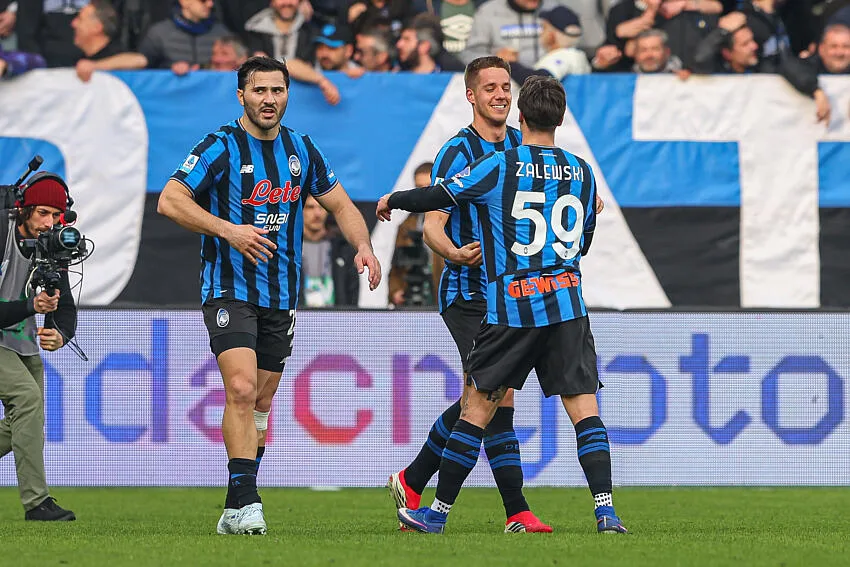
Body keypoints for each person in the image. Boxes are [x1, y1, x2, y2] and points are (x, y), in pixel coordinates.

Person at [377, 75, 626, 535]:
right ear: (561, 118)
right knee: (584, 409)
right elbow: (584, 240)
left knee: (478, 406)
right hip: (568, 306)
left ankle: (437, 513)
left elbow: (439, 196)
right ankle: (606, 512)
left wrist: (394, 199)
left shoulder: (501, 164)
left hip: (512, 306)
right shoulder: (583, 172)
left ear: (521, 115)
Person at [157, 56, 381, 536]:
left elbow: (342, 205)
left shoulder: (302, 149)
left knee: (260, 401)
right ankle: (250, 503)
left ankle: (234, 505)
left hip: (280, 295)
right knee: (239, 388)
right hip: (229, 288)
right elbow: (170, 200)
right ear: (241, 95)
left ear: (287, 95)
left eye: (277, 90)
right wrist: (228, 230)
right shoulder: (220, 146)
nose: (269, 99)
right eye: (259, 90)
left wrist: (363, 245)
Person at [386, 56, 551, 534]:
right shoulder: (457, 151)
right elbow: (431, 226)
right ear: (471, 96)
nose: (501, 95)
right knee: (497, 394)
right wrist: (455, 254)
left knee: (482, 397)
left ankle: (413, 479)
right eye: (490, 87)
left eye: (506, 87)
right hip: (466, 293)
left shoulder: (523, 146)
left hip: (511, 293)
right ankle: (516, 511)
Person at [0, 173, 77, 521]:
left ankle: (38, 501)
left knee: (27, 420)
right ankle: (37, 503)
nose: (49, 223)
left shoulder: (54, 243)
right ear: (23, 209)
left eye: (56, 215)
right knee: (28, 401)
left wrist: (59, 333)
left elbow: (65, 305)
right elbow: (33, 304)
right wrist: (32, 306)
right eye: (43, 213)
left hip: (21, 341)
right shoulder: (1, 232)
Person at [300, 194, 361, 307]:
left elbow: (352, 290)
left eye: (321, 207)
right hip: (298, 315)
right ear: (300, 211)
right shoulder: (289, 247)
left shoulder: (343, 249)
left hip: (336, 316)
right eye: (310, 207)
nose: (317, 214)